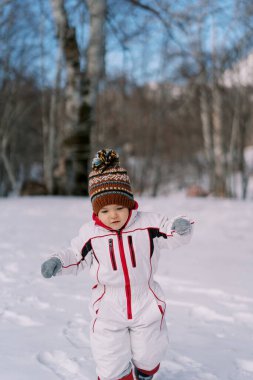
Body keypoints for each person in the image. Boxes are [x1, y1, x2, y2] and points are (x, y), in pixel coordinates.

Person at [41, 149, 194, 380]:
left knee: (149, 352)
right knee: (109, 357)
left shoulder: (148, 224)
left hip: (146, 302)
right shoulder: (91, 234)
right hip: (108, 306)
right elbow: (75, 255)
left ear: (130, 204)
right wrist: (58, 261)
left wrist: (180, 227)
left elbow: (170, 229)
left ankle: (144, 372)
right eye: (104, 210)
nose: (113, 215)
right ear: (95, 211)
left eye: (119, 208)